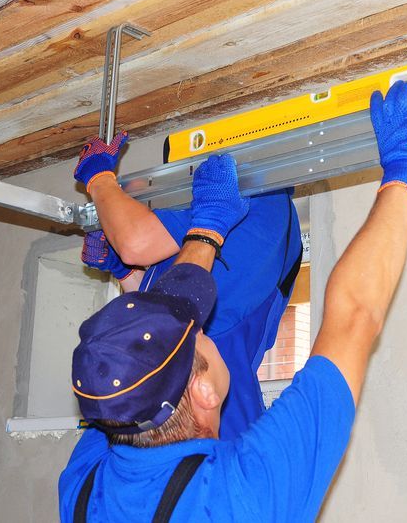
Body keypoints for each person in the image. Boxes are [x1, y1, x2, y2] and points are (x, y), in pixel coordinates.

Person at [58, 79, 407, 522]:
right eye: (196, 333)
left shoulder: (86, 486)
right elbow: (353, 316)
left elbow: (126, 385)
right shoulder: (244, 498)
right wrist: (403, 170)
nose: (203, 325)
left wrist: (151, 264)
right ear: (201, 389)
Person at [71, 130, 302, 440]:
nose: (194, 330)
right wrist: (97, 176)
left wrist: (125, 274)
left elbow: (158, 330)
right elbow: (135, 245)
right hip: (235, 322)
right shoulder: (264, 202)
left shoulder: (158, 434)